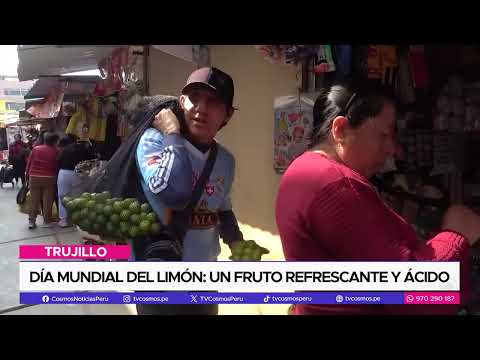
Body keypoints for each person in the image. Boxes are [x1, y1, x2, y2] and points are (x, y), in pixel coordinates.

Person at [275, 83, 480, 315]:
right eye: (383, 135)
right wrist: (456, 234)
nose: (392, 149)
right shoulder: (334, 184)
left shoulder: (300, 170)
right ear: (340, 129)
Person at [134, 67, 244, 315]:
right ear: (182, 102)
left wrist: (237, 242)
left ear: (227, 115)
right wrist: (172, 133)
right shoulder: (155, 142)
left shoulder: (225, 160)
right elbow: (172, 192)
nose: (201, 108)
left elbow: (222, 206)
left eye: (213, 101)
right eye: (194, 97)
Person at [56, 134, 96, 227]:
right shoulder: (83, 148)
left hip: (63, 173)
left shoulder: (64, 150)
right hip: (78, 173)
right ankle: (77, 219)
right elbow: (91, 160)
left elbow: (58, 161)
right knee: (78, 197)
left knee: (62, 197)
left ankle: (63, 220)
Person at [25, 132, 60, 229]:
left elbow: (29, 163)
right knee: (47, 200)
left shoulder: (36, 149)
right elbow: (57, 165)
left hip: (34, 177)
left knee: (34, 200)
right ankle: (46, 221)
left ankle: (32, 221)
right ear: (53, 141)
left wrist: (27, 176)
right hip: (49, 178)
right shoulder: (56, 151)